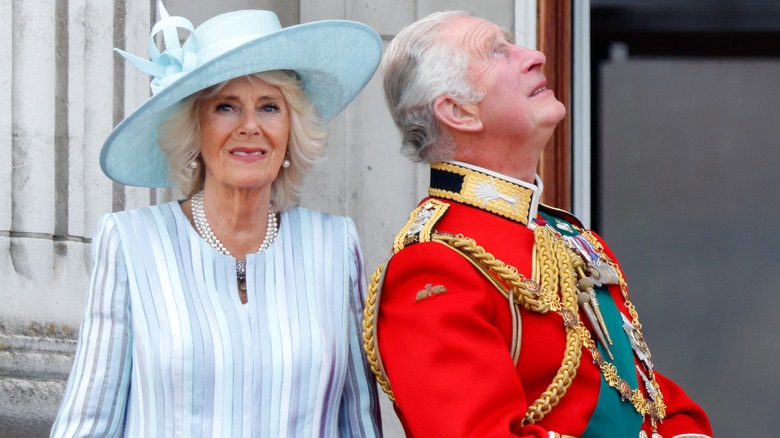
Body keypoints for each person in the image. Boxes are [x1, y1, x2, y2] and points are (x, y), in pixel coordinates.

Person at [362, 10, 712, 438]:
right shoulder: (435, 264)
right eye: (497, 51)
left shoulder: (571, 238)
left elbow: (644, 398)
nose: (535, 56)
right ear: (458, 111)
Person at [50, 3, 383, 437]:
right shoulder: (131, 243)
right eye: (226, 106)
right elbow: (88, 423)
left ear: (290, 129)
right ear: (195, 129)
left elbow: (358, 422)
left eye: (269, 107)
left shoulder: (336, 246)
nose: (249, 126)